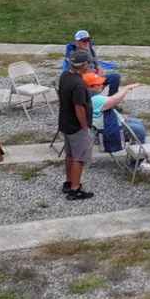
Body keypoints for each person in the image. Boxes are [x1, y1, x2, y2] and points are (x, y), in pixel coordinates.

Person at [56, 63, 98, 199]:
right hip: (76, 127)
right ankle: (75, 189)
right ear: (83, 66)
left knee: (69, 154)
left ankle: (68, 182)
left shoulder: (65, 75)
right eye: (87, 63)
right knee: (78, 159)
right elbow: (79, 107)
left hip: (66, 123)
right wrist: (84, 126)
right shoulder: (79, 84)